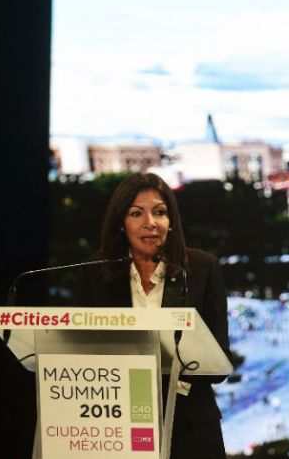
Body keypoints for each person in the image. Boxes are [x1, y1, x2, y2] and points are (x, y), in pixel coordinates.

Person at [76, 172, 231, 459]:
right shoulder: (96, 273)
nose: (151, 223)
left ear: (171, 222)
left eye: (160, 212)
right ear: (121, 223)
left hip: (191, 426)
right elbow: (83, 352)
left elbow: (220, 364)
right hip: (118, 424)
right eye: (136, 213)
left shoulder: (202, 269)